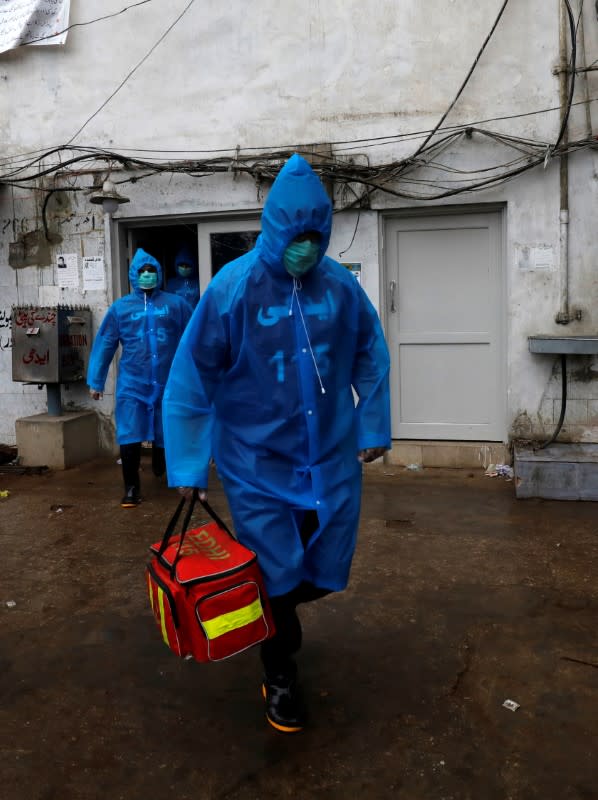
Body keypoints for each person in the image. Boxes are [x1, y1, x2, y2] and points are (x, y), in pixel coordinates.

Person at [163, 154, 391, 733]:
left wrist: (371, 426)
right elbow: (192, 376)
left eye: (317, 236)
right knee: (273, 570)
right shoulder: (234, 289)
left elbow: (371, 353)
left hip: (329, 456)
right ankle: (281, 669)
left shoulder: (338, 287)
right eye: (297, 235)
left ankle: (280, 618)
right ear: (274, 229)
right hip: (256, 460)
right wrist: (190, 462)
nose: (306, 248)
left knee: (320, 562)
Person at [87, 248, 193, 508]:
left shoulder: (176, 304)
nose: (147, 275)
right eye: (143, 272)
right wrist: (96, 381)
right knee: (130, 434)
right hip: (133, 384)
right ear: (134, 275)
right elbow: (105, 343)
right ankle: (131, 488)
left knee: (165, 430)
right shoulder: (121, 308)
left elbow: (192, 339)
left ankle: (161, 465)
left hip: (168, 383)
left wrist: (197, 375)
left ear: (158, 273)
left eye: (151, 271)